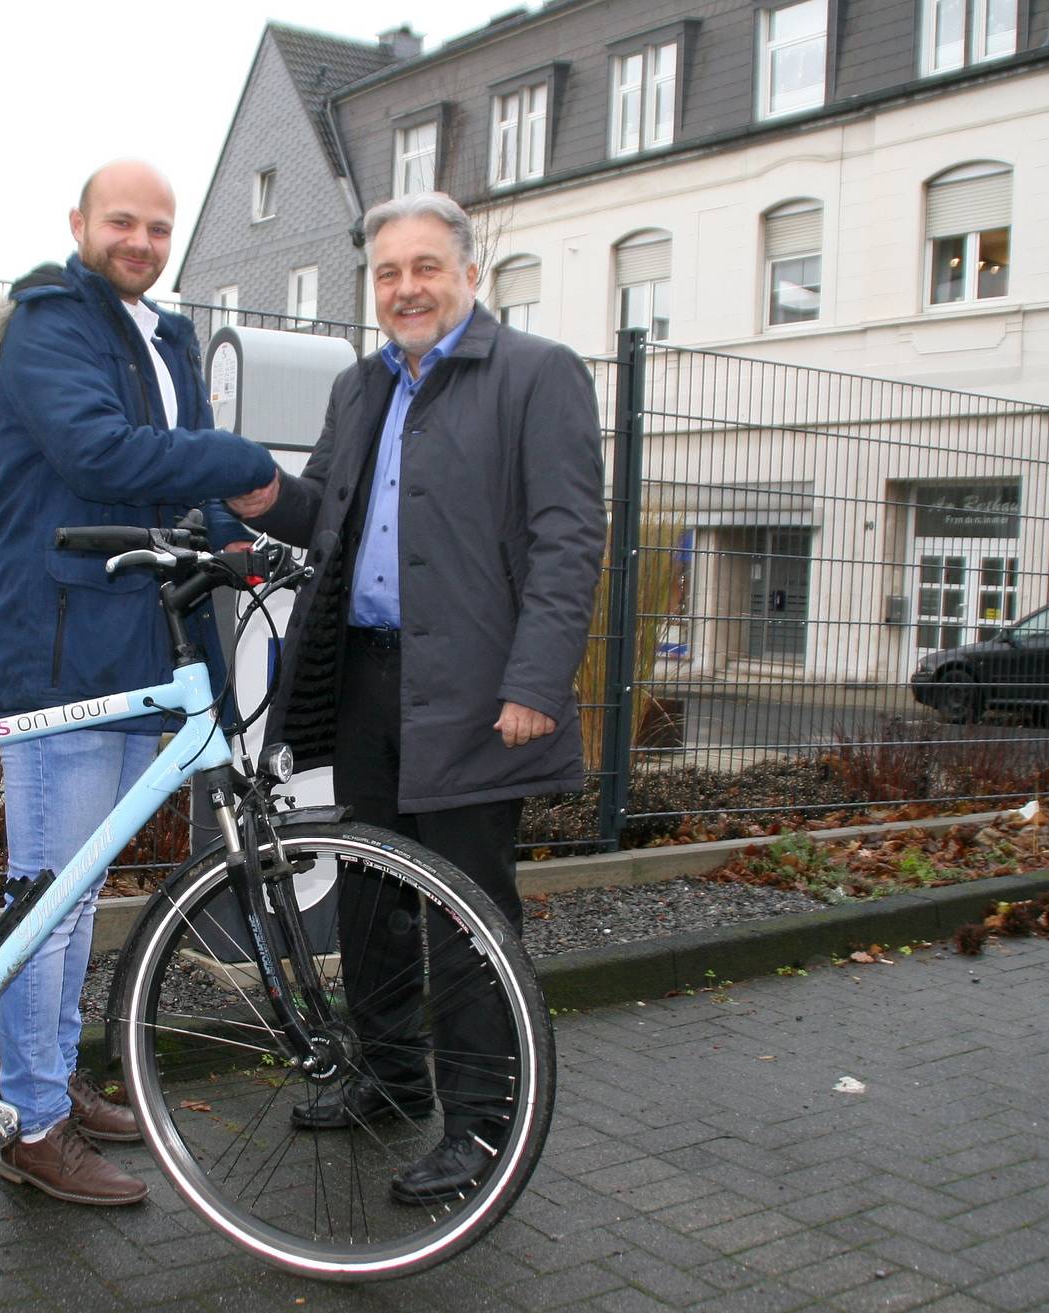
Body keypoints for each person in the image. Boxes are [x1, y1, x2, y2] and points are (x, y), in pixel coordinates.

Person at [226, 190, 603, 1203]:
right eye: (388, 273)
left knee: (465, 915)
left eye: (425, 267)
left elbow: (569, 541)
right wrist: (263, 498)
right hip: (366, 675)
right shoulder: (360, 388)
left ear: (470, 273)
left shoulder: (538, 375)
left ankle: (481, 1128)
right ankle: (387, 1080)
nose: (406, 288)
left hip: (479, 691)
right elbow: (329, 518)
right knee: (371, 892)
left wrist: (535, 679)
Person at [0, 159, 277, 1206]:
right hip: (61, 656)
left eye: (159, 226)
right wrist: (239, 458)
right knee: (46, 894)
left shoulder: (166, 336)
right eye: (122, 221)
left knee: (77, 893)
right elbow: (101, 452)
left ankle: (54, 1075)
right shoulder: (51, 320)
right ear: (80, 222)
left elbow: (177, 491)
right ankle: (30, 1120)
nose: (141, 239)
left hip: (144, 653)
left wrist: (256, 535)